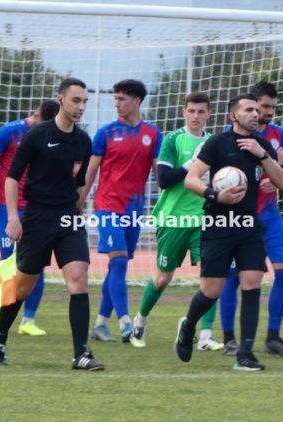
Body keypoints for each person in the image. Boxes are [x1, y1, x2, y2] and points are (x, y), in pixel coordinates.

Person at [0, 77, 104, 370]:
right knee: (22, 289)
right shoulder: (37, 135)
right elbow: (12, 178)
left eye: (84, 101)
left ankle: (81, 354)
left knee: (79, 278)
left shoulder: (83, 141)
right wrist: (13, 219)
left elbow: (80, 183)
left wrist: (77, 213)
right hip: (37, 218)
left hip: (67, 217)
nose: (81, 107)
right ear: (61, 99)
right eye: (76, 100)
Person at [174, 93, 283, 371]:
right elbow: (190, 180)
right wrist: (215, 195)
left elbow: (282, 181)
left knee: (252, 284)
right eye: (248, 110)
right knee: (212, 290)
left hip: (249, 225)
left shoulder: (261, 145)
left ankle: (244, 354)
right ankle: (188, 326)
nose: (255, 114)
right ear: (233, 115)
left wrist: (262, 155)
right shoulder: (217, 143)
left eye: (256, 110)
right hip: (219, 224)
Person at [128, 92, 222, 351]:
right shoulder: (173, 139)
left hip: (203, 219)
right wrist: (193, 162)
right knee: (162, 279)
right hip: (173, 219)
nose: (196, 116)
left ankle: (205, 335)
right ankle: (140, 322)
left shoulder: (215, 143)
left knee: (211, 276)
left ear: (209, 114)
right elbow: (164, 180)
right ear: (184, 112)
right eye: (191, 110)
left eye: (201, 111)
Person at [218, 81, 283, 357]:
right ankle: (229, 338)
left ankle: (273, 337)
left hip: (270, 215)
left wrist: (278, 180)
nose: (269, 112)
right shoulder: (233, 137)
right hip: (241, 216)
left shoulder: (279, 134)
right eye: (264, 106)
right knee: (233, 277)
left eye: (273, 107)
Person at [81, 79, 161, 343]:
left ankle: (100, 325)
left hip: (134, 210)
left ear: (136, 102)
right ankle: (125, 321)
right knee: (117, 261)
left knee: (119, 266)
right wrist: (80, 201)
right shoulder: (106, 133)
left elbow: (160, 174)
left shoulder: (153, 134)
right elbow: (90, 171)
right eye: (115, 99)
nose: (116, 104)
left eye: (122, 99)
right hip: (107, 206)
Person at [0, 99, 59, 335]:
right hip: (9, 207)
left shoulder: (53, 134)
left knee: (38, 262)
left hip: (37, 208)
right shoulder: (10, 132)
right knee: (8, 259)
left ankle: (28, 320)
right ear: (36, 116)